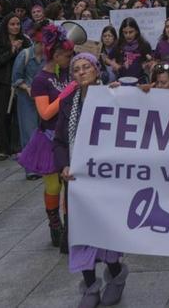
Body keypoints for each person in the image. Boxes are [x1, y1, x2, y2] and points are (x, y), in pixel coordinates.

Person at [54, 53, 128, 307]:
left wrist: (124, 95)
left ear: (97, 71)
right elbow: (60, 141)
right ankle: (90, 286)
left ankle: (117, 276)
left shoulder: (112, 95)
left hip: (105, 180)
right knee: (81, 234)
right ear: (72, 76)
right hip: (77, 180)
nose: (82, 72)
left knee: (105, 233)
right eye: (77, 69)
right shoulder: (68, 105)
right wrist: (63, 164)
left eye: (87, 67)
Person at [20, 26, 75, 250]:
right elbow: (44, 113)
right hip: (49, 138)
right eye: (67, 56)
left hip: (68, 136)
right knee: (53, 186)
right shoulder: (41, 79)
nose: (70, 59)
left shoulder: (65, 74)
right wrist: (68, 91)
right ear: (55, 55)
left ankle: (70, 226)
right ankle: (55, 225)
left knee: (70, 186)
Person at [0, 13, 31, 159]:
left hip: (20, 84)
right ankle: (4, 149)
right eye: (12, 24)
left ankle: (18, 147)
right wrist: (11, 51)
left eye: (18, 24)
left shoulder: (25, 41)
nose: (15, 27)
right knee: (3, 115)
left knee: (18, 117)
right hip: (3, 83)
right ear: (6, 25)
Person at [109, 18, 153, 84]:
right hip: (121, 81)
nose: (128, 35)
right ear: (121, 32)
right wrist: (112, 63)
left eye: (131, 32)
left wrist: (148, 64)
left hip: (140, 82)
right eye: (125, 32)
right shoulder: (118, 45)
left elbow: (151, 60)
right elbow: (106, 58)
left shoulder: (144, 45)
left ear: (136, 31)